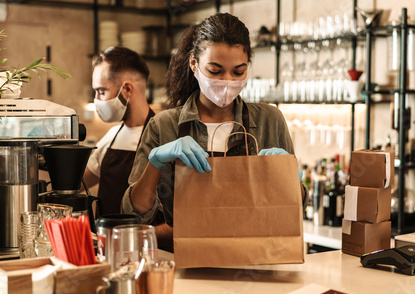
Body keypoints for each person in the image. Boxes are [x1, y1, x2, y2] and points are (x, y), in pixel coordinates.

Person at [121, 13, 306, 230]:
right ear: (194, 64)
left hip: (256, 258)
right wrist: (155, 162)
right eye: (215, 71)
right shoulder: (164, 125)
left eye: (239, 71)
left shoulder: (269, 120)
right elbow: (135, 212)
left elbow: (295, 206)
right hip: (189, 258)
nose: (227, 81)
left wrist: (290, 177)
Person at [83, 47, 172, 250]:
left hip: (151, 254)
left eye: (101, 91)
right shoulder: (111, 137)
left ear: (127, 89)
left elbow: (183, 221)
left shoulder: (166, 137)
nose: (97, 99)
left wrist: (135, 238)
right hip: (107, 252)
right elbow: (79, 184)